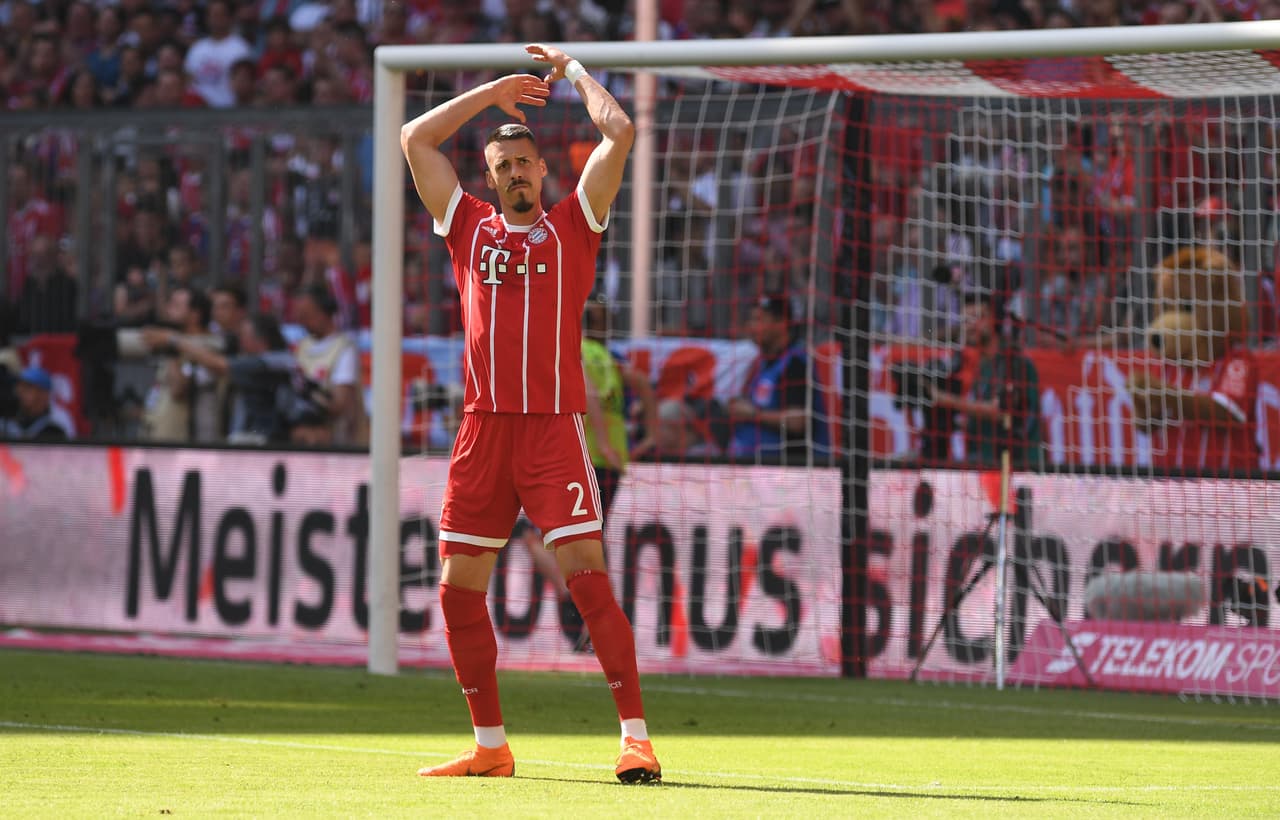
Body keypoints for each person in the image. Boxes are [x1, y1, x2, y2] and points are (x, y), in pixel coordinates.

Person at [401, 43, 659, 783]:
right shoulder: (467, 227)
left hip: (550, 429)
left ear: (544, 171)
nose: (515, 173)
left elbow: (620, 134)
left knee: (587, 578)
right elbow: (413, 138)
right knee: (457, 591)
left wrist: (574, 72)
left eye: (525, 163)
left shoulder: (576, 224)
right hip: (482, 430)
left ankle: (635, 737)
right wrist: (491, 95)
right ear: (490, 175)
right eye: (503, 165)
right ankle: (490, 745)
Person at [933, 290, 1043, 469]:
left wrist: (945, 399)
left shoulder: (1014, 362)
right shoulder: (982, 367)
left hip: (1018, 471)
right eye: (965, 321)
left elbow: (1001, 410)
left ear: (994, 319)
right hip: (987, 469)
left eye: (976, 318)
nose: (969, 326)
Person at [162, 312, 300, 445]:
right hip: (247, 438)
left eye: (244, 336)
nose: (240, 342)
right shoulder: (252, 359)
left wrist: (172, 340)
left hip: (267, 439)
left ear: (261, 339)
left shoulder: (277, 360)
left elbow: (217, 364)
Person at [727, 293, 829, 464]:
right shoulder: (762, 363)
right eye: (750, 320)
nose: (751, 326)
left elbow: (798, 422)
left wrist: (753, 414)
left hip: (786, 471)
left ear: (782, 324)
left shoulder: (795, 364)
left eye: (759, 320)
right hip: (752, 464)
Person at [293, 283, 367, 446]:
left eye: (306, 315)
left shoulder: (345, 349)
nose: (301, 321)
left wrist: (310, 393)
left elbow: (339, 405)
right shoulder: (303, 346)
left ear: (323, 312)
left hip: (338, 443)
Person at [2, 366, 73, 441]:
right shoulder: (7, 423)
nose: (20, 391)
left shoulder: (56, 424)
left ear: (44, 394)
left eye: (27, 387)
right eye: (19, 386)